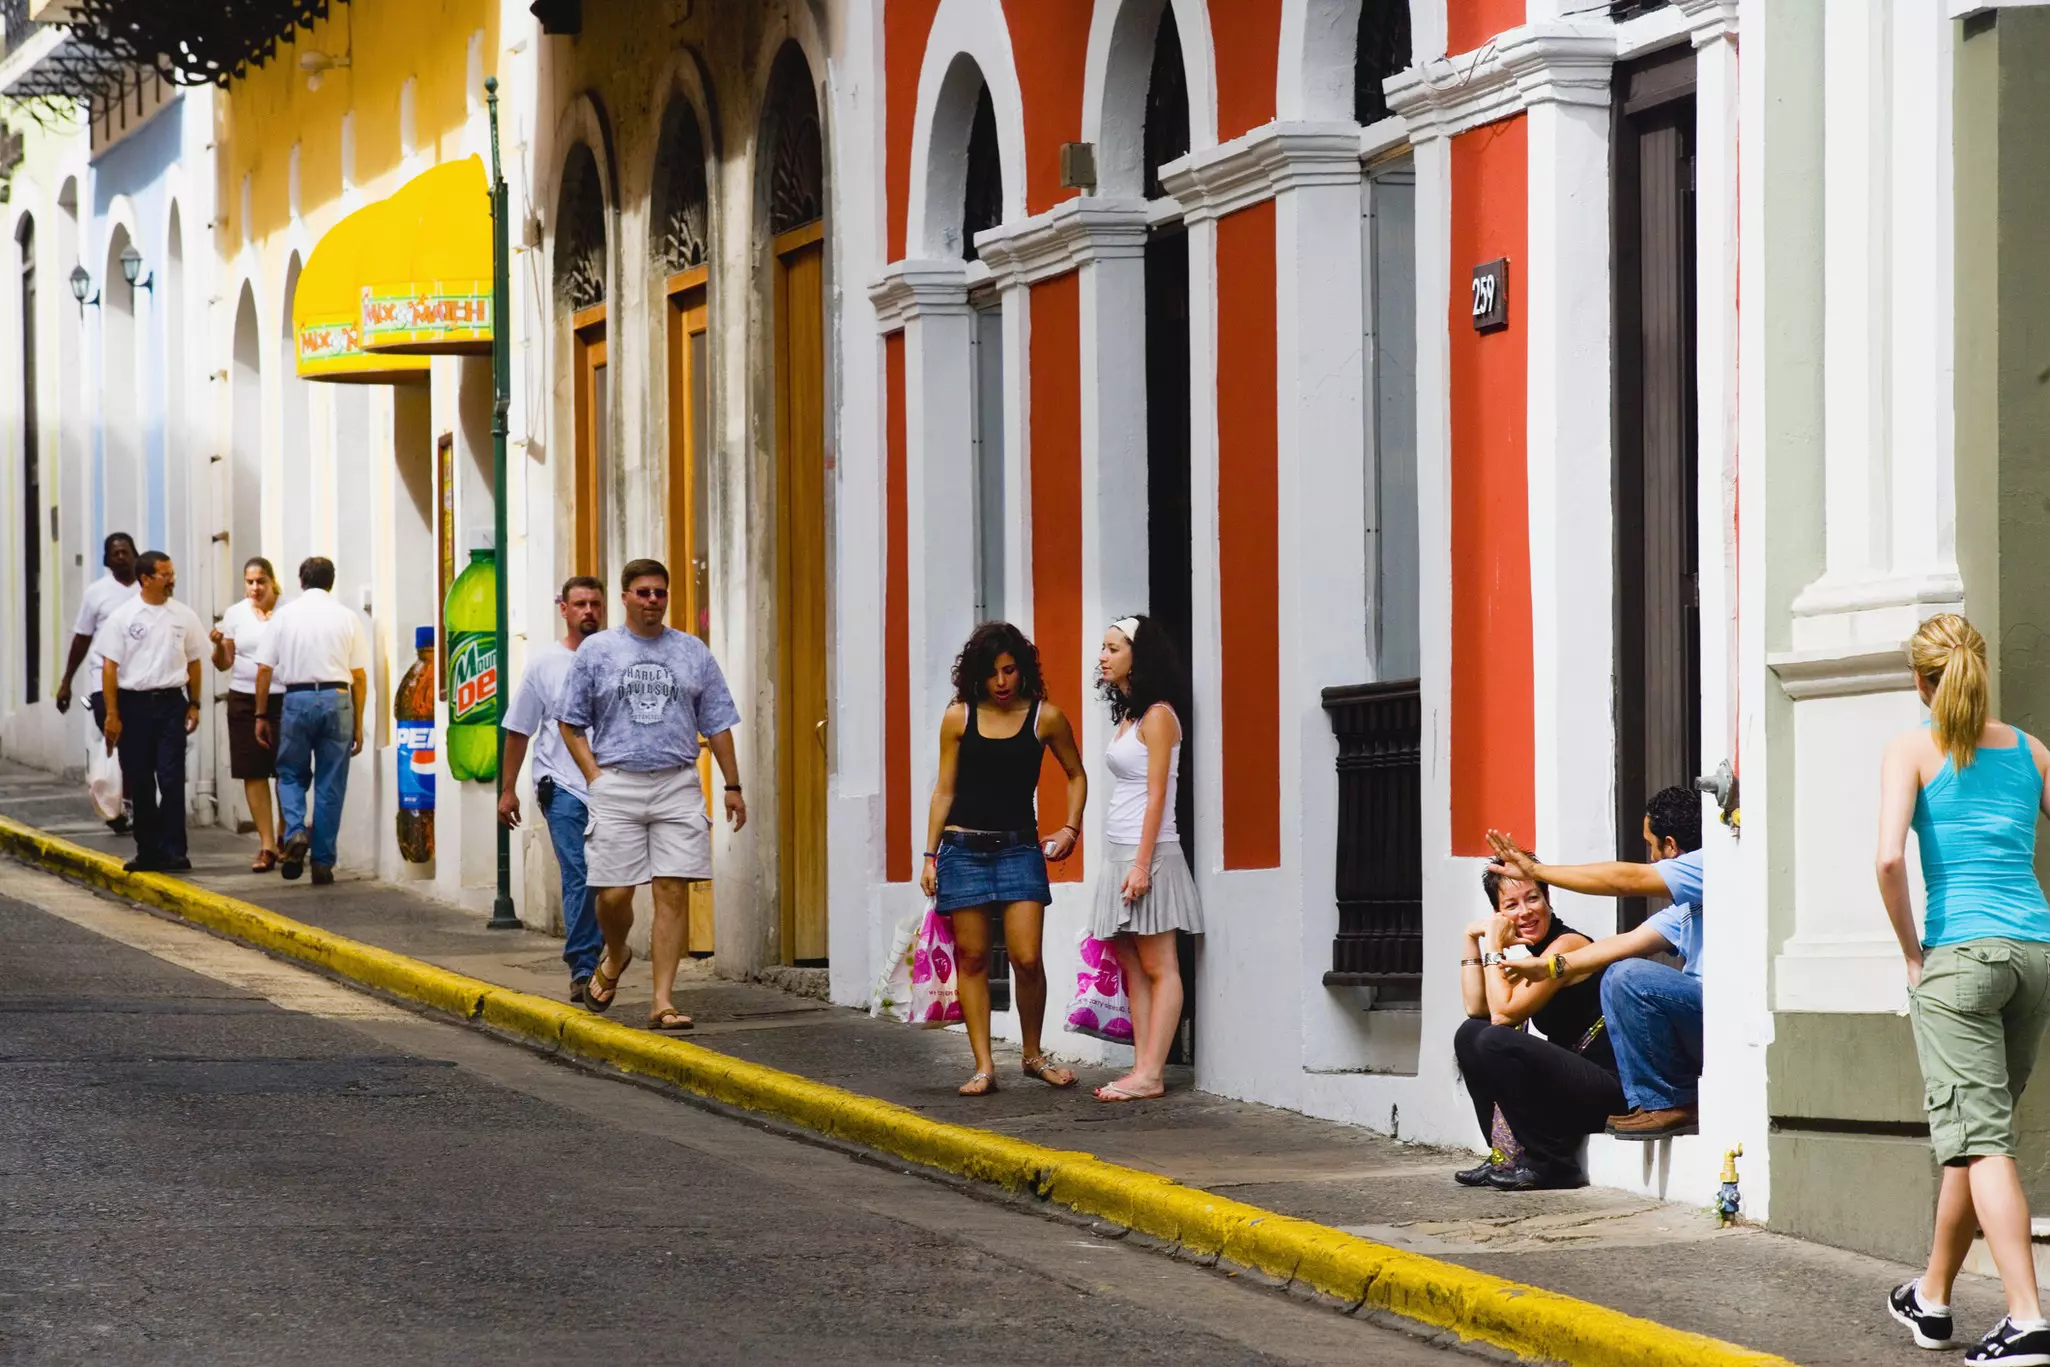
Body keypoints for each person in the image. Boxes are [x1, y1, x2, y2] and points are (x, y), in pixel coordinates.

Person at [1877, 614, 2050, 1365]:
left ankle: (2026, 1315)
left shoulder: (1913, 748)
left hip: (1960, 958)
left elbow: (1887, 861)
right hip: (2033, 956)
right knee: (1974, 1137)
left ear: (1920, 680)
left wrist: (1914, 956)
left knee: (1981, 1139)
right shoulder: (2031, 750)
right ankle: (1933, 1298)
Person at [559, 558, 746, 1031]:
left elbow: (719, 721)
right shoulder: (598, 651)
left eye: (660, 593)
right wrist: (594, 775)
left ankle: (662, 1000)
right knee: (614, 893)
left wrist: (733, 785)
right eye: (642, 593)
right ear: (624, 597)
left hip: (677, 781)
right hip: (617, 782)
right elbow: (569, 719)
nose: (652, 601)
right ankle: (617, 950)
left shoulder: (692, 652)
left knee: (672, 890)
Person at [918, 621, 1089, 1096]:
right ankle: (983, 1066)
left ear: (1023, 671)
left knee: (1027, 958)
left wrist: (1071, 826)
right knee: (972, 958)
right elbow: (944, 789)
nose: (1001, 682)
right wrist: (930, 855)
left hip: (1019, 848)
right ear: (976, 675)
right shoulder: (958, 717)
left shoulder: (1045, 718)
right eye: (991, 673)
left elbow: (1076, 774)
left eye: (1010, 671)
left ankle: (1032, 1055)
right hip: (963, 849)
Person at [1487, 786, 1706, 1139]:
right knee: (1620, 967)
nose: (1651, 858)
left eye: (1652, 846)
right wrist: (1550, 967)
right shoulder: (1685, 907)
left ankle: (1669, 1102)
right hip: (1702, 1021)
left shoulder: (1706, 865)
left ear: (1671, 846)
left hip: (1721, 1020)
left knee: (1627, 975)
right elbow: (1620, 944)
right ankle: (1659, 1102)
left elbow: (1624, 881)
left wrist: (1536, 871)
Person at [1452, 861, 1620, 1190]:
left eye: (1532, 899)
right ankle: (1507, 1155)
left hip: (1607, 1089)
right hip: (1571, 1088)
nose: (1526, 912)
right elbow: (1476, 1007)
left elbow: (1503, 1015)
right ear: (1498, 915)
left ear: (1547, 899)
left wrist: (1495, 947)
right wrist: (1471, 938)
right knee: (1470, 1034)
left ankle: (1552, 1163)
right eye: (1511, 905)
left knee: (1495, 1039)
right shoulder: (1531, 955)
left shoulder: (1568, 946)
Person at [1089, 615, 1202, 1103]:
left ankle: (1153, 1072)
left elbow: (1158, 796)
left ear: (1139, 655)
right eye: (1104, 647)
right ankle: (1140, 1066)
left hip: (1149, 852)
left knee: (1161, 965)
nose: (1104, 655)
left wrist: (1141, 864)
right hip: (1122, 851)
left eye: (1114, 647)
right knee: (1133, 964)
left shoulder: (1158, 716)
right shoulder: (1130, 717)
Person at [499, 575, 607, 1004]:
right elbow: (518, 730)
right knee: (579, 872)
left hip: (612, 785)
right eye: (580, 604)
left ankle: (606, 956)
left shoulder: (615, 658)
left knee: (610, 876)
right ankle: (583, 966)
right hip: (560, 785)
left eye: (595, 604)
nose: (588, 612)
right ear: (563, 608)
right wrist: (508, 790)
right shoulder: (544, 664)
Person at [251, 556, 369, 885]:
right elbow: (359, 676)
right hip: (337, 698)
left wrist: (261, 713)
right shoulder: (347, 617)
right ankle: (322, 862)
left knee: (289, 774)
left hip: (297, 699)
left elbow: (263, 669)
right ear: (331, 581)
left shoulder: (285, 616)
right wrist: (358, 723)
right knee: (331, 783)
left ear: (301, 581)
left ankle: (295, 832)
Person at [98, 552, 207, 875]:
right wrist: (113, 713)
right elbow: (109, 666)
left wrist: (195, 702)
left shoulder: (183, 616)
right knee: (141, 778)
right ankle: (148, 849)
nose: (171, 579)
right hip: (134, 706)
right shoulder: (124, 617)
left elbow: (195, 660)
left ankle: (175, 850)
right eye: (165, 574)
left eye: (172, 573)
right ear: (145, 579)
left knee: (171, 777)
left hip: (171, 704)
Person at [56, 532, 141, 834]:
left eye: (125, 552)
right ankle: (113, 802)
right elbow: (82, 638)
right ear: (106, 559)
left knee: (135, 744)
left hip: (140, 680)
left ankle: (129, 803)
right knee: (115, 740)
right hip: (102, 680)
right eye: (114, 553)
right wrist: (67, 680)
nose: (120, 557)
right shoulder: (97, 593)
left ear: (135, 554)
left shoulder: (147, 588)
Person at [211, 557, 284, 872]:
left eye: (261, 581)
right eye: (250, 582)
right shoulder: (235, 614)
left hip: (283, 695)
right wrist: (216, 645)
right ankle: (266, 844)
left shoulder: (288, 610)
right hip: (243, 695)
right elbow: (225, 662)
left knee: (286, 769)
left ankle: (285, 836)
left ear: (272, 581)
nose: (255, 588)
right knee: (253, 771)